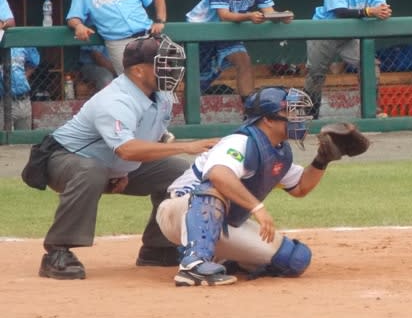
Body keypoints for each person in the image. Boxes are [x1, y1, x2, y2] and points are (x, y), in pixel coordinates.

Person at [38, 35, 219, 280]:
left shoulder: (163, 96)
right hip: (64, 160)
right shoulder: (115, 99)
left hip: (113, 164)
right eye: (162, 64)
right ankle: (57, 252)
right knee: (91, 170)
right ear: (137, 70)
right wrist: (187, 146)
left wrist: (124, 170)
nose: (171, 70)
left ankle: (158, 247)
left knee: (178, 171)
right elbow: (126, 149)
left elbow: (151, 138)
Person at [156, 86, 346, 286]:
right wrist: (258, 208)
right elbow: (218, 174)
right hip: (181, 212)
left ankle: (225, 259)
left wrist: (322, 160)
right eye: (289, 112)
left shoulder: (278, 152)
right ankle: (193, 265)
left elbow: (300, 187)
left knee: (295, 258)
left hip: (224, 224)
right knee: (212, 188)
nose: (297, 118)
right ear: (268, 119)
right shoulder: (240, 142)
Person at [186, 0, 292, 99]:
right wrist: (249, 16)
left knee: (244, 62)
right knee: (197, 80)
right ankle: (191, 121)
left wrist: (282, 17)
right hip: (201, 33)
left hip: (228, 32)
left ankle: (250, 111)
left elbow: (269, 12)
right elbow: (224, 16)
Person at [304, 0, 392, 119]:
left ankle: (371, 111)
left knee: (370, 66)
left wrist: (383, 11)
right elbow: (340, 11)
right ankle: (309, 113)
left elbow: (380, 8)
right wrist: (369, 11)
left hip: (350, 35)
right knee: (316, 72)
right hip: (324, 31)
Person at [0, 47, 40, 130]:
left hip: (23, 100)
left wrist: (22, 78)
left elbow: (33, 62)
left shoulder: (22, 43)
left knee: (24, 138)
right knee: (3, 139)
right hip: (3, 102)